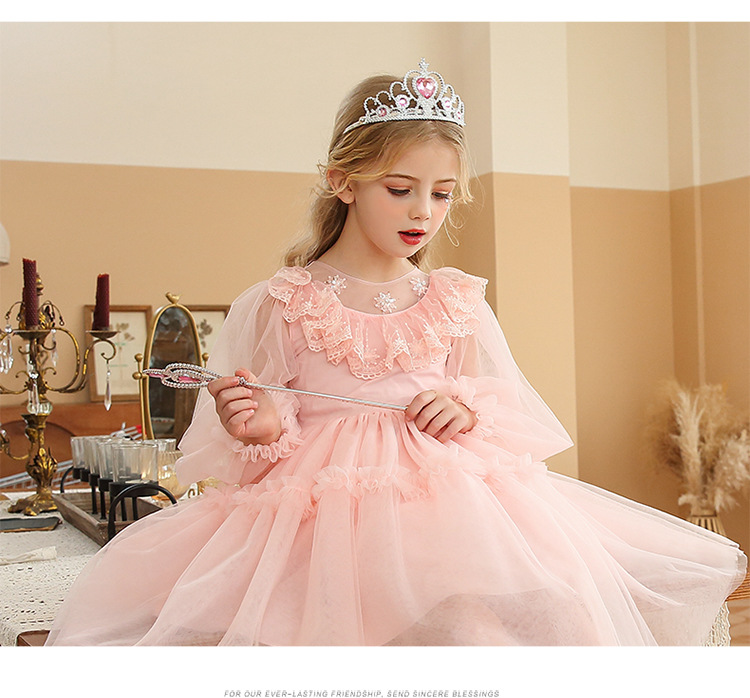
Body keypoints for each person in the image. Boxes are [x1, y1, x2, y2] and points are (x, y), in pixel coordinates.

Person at [46, 60, 746, 646]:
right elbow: (255, 438)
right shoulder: (283, 300)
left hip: (446, 510)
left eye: (442, 195)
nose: (422, 213)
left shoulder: (455, 299)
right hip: (318, 524)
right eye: (401, 189)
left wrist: (461, 410)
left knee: (482, 634)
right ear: (342, 181)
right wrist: (260, 425)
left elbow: (497, 411)